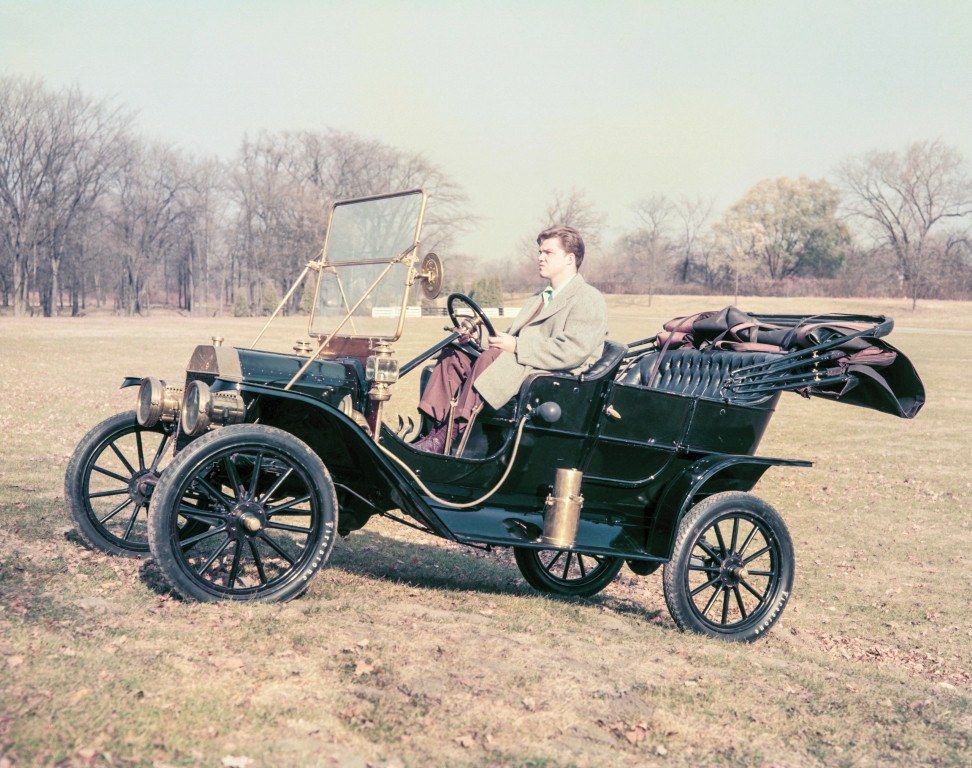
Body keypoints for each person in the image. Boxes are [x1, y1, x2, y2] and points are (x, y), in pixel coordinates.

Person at [413, 225, 607, 453]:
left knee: (494, 358)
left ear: (570, 259)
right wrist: (478, 338)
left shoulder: (588, 298)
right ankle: (431, 429)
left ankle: (449, 435)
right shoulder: (539, 298)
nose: (540, 258)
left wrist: (516, 346)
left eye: (548, 253)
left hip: (555, 377)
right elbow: (510, 337)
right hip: (524, 362)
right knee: (454, 354)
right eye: (540, 252)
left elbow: (571, 351)